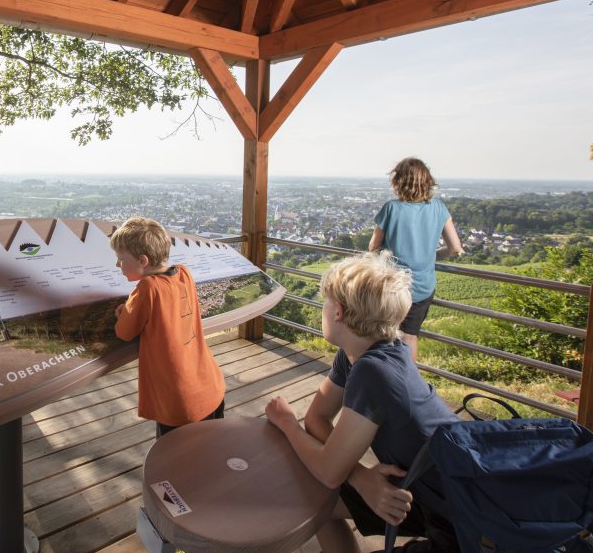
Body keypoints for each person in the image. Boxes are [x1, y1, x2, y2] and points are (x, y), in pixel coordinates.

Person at [265, 252, 459, 553]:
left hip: (458, 518)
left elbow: (329, 469)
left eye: (326, 303)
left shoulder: (373, 371)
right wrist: (360, 476)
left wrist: (286, 422)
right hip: (419, 492)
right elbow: (317, 418)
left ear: (339, 312)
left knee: (320, 484)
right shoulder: (362, 353)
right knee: (314, 496)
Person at [110, 217, 226, 438]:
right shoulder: (184, 273)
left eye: (121, 259)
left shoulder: (147, 288)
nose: (118, 265)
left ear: (142, 260)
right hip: (210, 386)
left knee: (175, 467)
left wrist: (122, 313)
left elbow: (124, 332)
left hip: (180, 403)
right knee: (210, 457)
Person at [369, 157, 463, 360]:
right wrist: (431, 256)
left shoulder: (392, 208)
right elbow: (455, 248)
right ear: (427, 182)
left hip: (392, 286)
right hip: (422, 287)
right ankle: (407, 382)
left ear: (398, 181)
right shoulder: (438, 208)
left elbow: (373, 246)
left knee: (383, 334)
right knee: (409, 337)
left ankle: (381, 375)